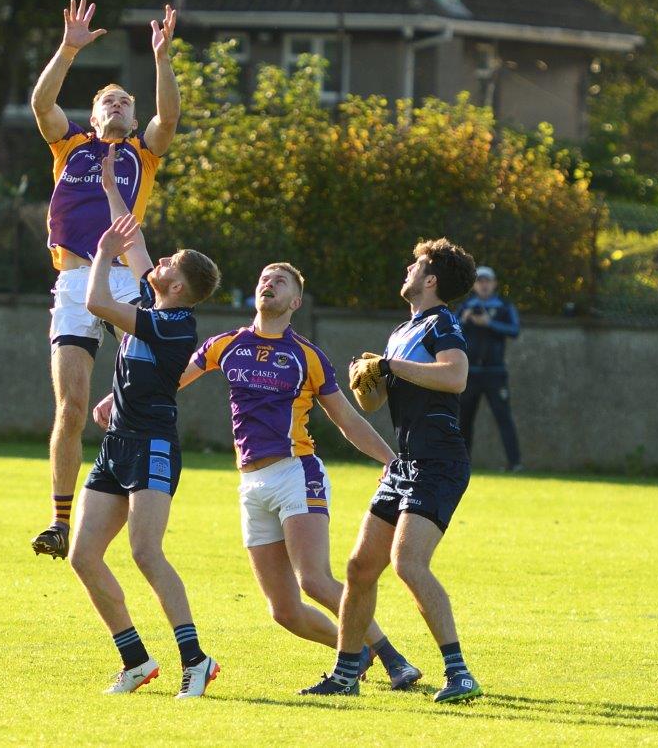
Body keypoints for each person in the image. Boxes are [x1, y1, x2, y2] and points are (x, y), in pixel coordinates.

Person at [177, 262, 422, 690]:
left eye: (280, 280)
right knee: (284, 611)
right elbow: (170, 380)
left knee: (313, 580)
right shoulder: (226, 344)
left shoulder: (306, 355)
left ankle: (393, 659)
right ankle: (355, 654)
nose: (267, 282)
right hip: (251, 485)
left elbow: (346, 418)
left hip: (297, 473)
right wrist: (117, 398)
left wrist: (389, 458)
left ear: (295, 301)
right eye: (263, 278)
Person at [301, 239, 482, 703]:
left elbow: (455, 376)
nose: (408, 268)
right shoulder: (403, 330)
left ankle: (459, 673)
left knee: (408, 563)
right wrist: (368, 379)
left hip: (439, 460)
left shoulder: (443, 323)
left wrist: (390, 365)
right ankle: (345, 675)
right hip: (405, 464)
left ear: (431, 279)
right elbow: (377, 401)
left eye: (415, 265)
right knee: (360, 567)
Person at [31, 0, 181, 560]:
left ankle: (142, 498)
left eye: (125, 102)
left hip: (124, 281)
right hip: (74, 282)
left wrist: (162, 60)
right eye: (108, 102)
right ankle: (59, 519)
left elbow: (169, 119)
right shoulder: (69, 146)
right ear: (93, 118)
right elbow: (41, 101)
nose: (117, 106)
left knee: (145, 393)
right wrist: (69, 48)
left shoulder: (144, 153)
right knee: (70, 407)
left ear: (132, 118)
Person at [69, 148, 221, 697]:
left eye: (167, 265)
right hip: (117, 445)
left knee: (145, 552)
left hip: (153, 444)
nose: (155, 264)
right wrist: (112, 188)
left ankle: (195, 659)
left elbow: (96, 301)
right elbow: (133, 239)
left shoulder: (175, 323)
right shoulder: (156, 303)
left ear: (177, 285)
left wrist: (103, 255)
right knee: (82, 555)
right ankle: (135, 660)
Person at [456, 266, 523, 470]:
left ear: (494, 284)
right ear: (474, 285)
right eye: (479, 281)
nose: (483, 285)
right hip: (470, 374)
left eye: (487, 281)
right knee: (464, 421)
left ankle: (515, 464)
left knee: (504, 418)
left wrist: (489, 323)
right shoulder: (466, 306)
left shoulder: (503, 306)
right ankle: (462, 465)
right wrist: (464, 320)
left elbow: (514, 330)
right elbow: (451, 329)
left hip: (495, 373)